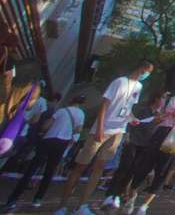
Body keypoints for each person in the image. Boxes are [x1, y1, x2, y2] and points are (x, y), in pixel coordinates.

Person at [54, 59, 153, 215]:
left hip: (118, 130)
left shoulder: (138, 87)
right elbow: (105, 105)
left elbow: (128, 108)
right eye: (145, 71)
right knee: (81, 166)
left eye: (148, 73)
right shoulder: (119, 82)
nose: (145, 75)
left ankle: (82, 205)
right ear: (139, 68)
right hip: (102, 128)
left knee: (99, 167)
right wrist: (99, 128)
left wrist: (132, 119)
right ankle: (62, 206)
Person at [118, 81, 175, 214]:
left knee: (162, 171)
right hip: (160, 133)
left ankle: (144, 205)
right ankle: (132, 197)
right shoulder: (168, 100)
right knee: (144, 166)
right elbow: (156, 118)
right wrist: (165, 115)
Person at [3, 95, 85, 210]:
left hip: (49, 139)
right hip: (62, 143)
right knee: (49, 172)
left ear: (71, 100)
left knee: (32, 168)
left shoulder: (62, 111)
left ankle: (13, 198)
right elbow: (79, 129)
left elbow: (46, 126)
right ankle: (38, 198)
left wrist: (44, 128)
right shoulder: (81, 114)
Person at [103, 91, 167, 214]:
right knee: (124, 167)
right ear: (156, 98)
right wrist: (127, 135)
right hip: (133, 141)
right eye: (162, 97)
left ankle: (120, 195)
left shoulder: (160, 115)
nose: (163, 101)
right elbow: (132, 122)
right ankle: (111, 195)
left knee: (132, 171)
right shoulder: (144, 110)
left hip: (146, 145)